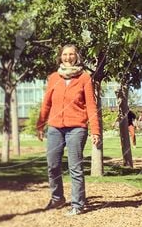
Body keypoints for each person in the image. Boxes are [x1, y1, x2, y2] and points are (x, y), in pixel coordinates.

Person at [36, 44, 101, 216]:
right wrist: (40, 125)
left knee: (75, 167)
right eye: (65, 54)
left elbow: (91, 106)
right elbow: (46, 104)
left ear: (76, 56)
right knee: (52, 165)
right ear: (60, 57)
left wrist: (95, 131)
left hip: (77, 128)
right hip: (55, 128)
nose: (68, 57)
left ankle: (78, 204)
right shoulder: (53, 78)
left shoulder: (85, 78)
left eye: (71, 54)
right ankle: (57, 198)